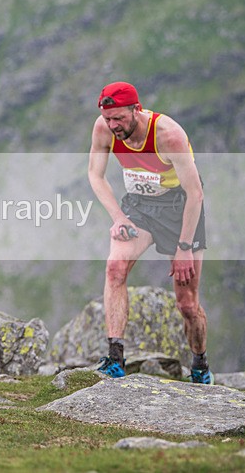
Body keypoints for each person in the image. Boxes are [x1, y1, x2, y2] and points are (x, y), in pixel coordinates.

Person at [88, 81, 212, 384]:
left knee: (187, 304)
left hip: (179, 208)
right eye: (108, 118)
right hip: (140, 207)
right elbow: (95, 174)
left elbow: (195, 194)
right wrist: (118, 217)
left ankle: (199, 364)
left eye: (120, 118)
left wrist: (183, 248)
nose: (114, 125)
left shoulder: (168, 135)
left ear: (136, 109)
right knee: (115, 268)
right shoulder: (103, 129)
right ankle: (115, 358)